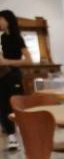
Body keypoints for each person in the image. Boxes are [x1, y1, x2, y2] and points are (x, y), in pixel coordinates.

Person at [0, 10, 32, 150]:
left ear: (8, 20)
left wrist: (6, 62)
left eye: (0, 19)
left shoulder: (17, 38)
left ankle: (21, 135)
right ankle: (11, 136)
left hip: (14, 76)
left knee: (14, 105)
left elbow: (28, 60)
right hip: (2, 75)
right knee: (2, 106)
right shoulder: (3, 38)